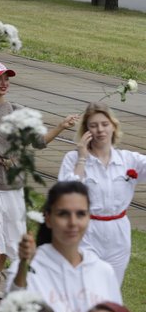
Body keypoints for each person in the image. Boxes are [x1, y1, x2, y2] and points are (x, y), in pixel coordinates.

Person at [0, 62, 77, 304]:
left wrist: (60, 126)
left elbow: (38, 141)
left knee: (10, 232)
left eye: (7, 78)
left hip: (12, 181)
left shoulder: (18, 111)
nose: (4, 83)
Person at [7, 181, 122, 312]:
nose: (73, 222)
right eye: (63, 214)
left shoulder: (103, 271)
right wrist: (23, 266)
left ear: (89, 217)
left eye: (81, 214)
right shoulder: (29, 268)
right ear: (48, 219)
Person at [58, 103, 145, 285]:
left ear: (113, 126)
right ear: (86, 131)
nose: (100, 130)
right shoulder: (72, 159)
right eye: (93, 125)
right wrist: (82, 157)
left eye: (105, 124)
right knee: (87, 286)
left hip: (118, 234)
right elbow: (67, 194)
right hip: (86, 232)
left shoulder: (128, 159)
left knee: (111, 289)